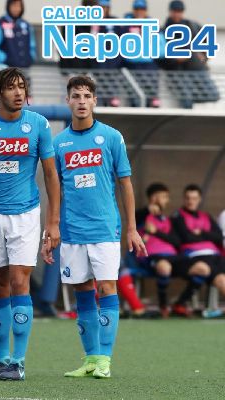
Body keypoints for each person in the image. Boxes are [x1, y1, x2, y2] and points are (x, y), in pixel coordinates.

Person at [43, 75, 146, 379]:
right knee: (83, 292)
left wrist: (131, 228)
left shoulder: (111, 137)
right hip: (72, 230)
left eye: (87, 96)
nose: (82, 101)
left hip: (105, 228)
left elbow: (125, 184)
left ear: (95, 101)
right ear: (68, 101)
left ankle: (105, 360)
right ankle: (90, 359)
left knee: (107, 287)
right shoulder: (58, 143)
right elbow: (54, 189)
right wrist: (52, 226)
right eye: (76, 96)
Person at [0, 67, 60, 381]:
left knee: (20, 282)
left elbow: (51, 175)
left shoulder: (38, 124)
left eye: (22, 86)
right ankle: (1, 359)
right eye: (11, 87)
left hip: (26, 215)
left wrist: (53, 222)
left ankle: (18, 362)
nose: (18, 93)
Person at [135, 183, 191, 317]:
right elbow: (137, 216)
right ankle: (163, 306)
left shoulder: (167, 219)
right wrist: (148, 209)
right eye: (164, 197)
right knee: (164, 267)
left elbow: (177, 241)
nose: (167, 200)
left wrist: (156, 232)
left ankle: (180, 304)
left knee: (201, 268)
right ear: (154, 197)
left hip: (173, 257)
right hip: (152, 257)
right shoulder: (142, 216)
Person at [170, 184, 225, 316]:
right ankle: (180, 304)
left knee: (221, 280)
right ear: (184, 199)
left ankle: (180, 304)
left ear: (199, 199)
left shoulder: (206, 216)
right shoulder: (177, 216)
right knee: (203, 269)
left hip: (214, 256)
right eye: (188, 198)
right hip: (192, 256)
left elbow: (219, 236)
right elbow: (186, 237)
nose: (191, 201)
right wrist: (207, 235)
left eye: (194, 198)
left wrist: (201, 232)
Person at [123, 0, 163, 108]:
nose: (139, 12)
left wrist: (144, 51)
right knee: (134, 101)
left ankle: (153, 102)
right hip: (132, 66)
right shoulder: (126, 25)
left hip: (149, 66)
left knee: (152, 99)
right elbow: (124, 48)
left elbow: (162, 48)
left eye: (142, 9)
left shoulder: (153, 25)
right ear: (133, 10)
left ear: (146, 10)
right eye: (137, 9)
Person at [0, 0, 36, 69]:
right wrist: (5, 59)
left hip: (25, 70)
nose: (16, 9)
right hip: (6, 70)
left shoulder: (26, 25)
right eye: (14, 5)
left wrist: (30, 58)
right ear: (8, 6)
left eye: (19, 6)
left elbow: (32, 46)